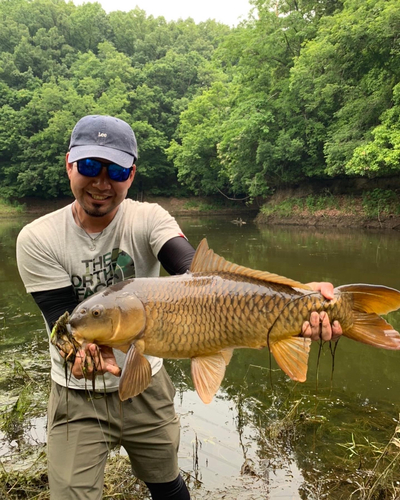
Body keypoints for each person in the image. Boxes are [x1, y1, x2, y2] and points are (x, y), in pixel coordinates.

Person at [16, 114, 342, 500]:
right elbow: (64, 324)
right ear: (69, 164)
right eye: (89, 166)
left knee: (167, 484)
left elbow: (193, 271)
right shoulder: (38, 239)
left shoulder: (148, 217)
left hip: (148, 380)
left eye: (116, 170)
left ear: (131, 175)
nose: (102, 182)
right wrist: (78, 352)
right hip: (77, 393)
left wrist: (299, 295)